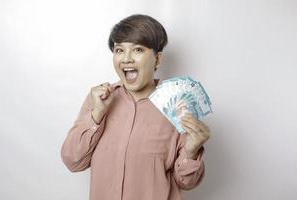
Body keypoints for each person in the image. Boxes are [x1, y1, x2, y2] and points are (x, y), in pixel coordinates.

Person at [61, 14, 211, 200]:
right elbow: (73, 161)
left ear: (157, 60)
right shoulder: (99, 100)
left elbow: (187, 183)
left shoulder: (179, 107)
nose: (126, 59)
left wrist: (191, 150)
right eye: (119, 50)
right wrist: (97, 114)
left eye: (138, 50)